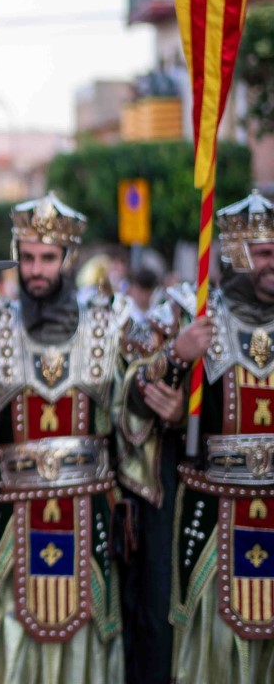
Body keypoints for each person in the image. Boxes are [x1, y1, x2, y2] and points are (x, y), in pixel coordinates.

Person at [0, 192, 126, 683]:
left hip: (90, 513)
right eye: (27, 257)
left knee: (90, 626)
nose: (35, 270)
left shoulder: (109, 324)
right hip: (16, 516)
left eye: (48, 258)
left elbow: (133, 411)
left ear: (68, 259)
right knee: (11, 625)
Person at [127, 190, 274, 683]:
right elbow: (130, 384)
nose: (273, 262)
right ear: (234, 252)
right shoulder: (185, 313)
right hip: (210, 513)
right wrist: (175, 361)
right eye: (264, 252)